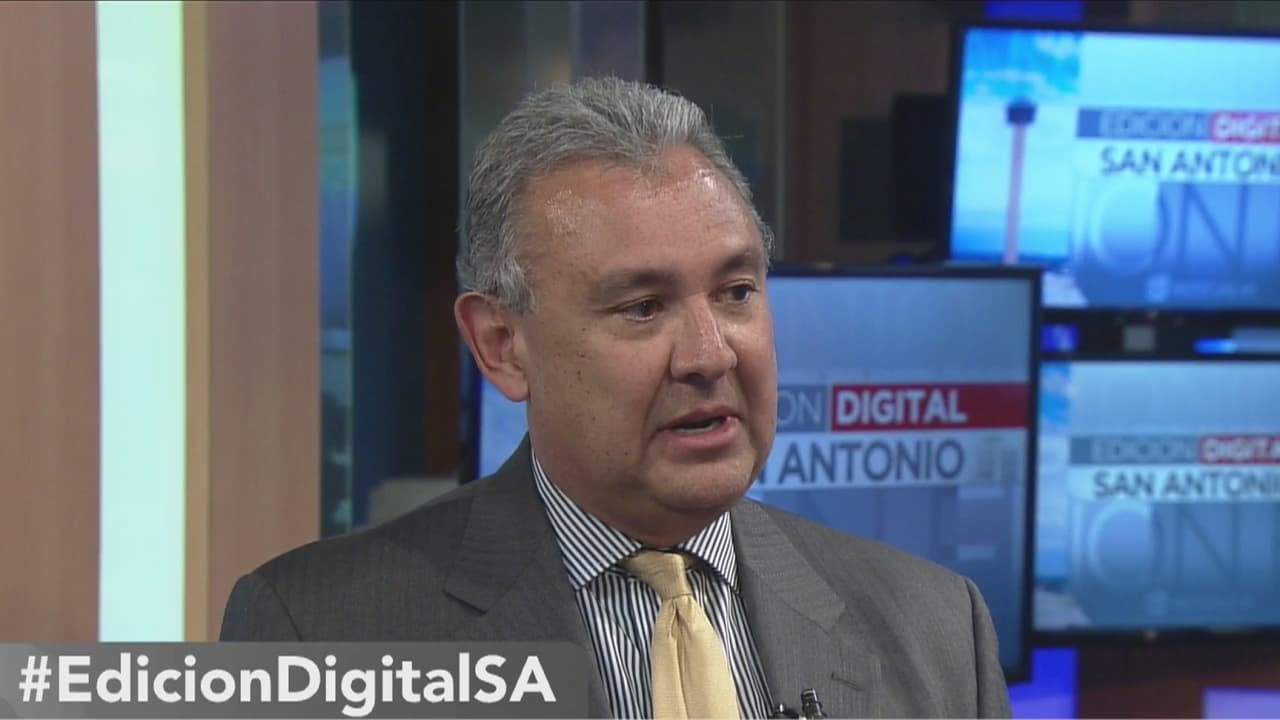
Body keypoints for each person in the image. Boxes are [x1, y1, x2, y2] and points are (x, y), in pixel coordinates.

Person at [221, 76, 1011, 719]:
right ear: (501, 345)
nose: (709, 355)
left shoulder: (938, 628)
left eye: (737, 292)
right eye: (642, 307)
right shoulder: (314, 634)